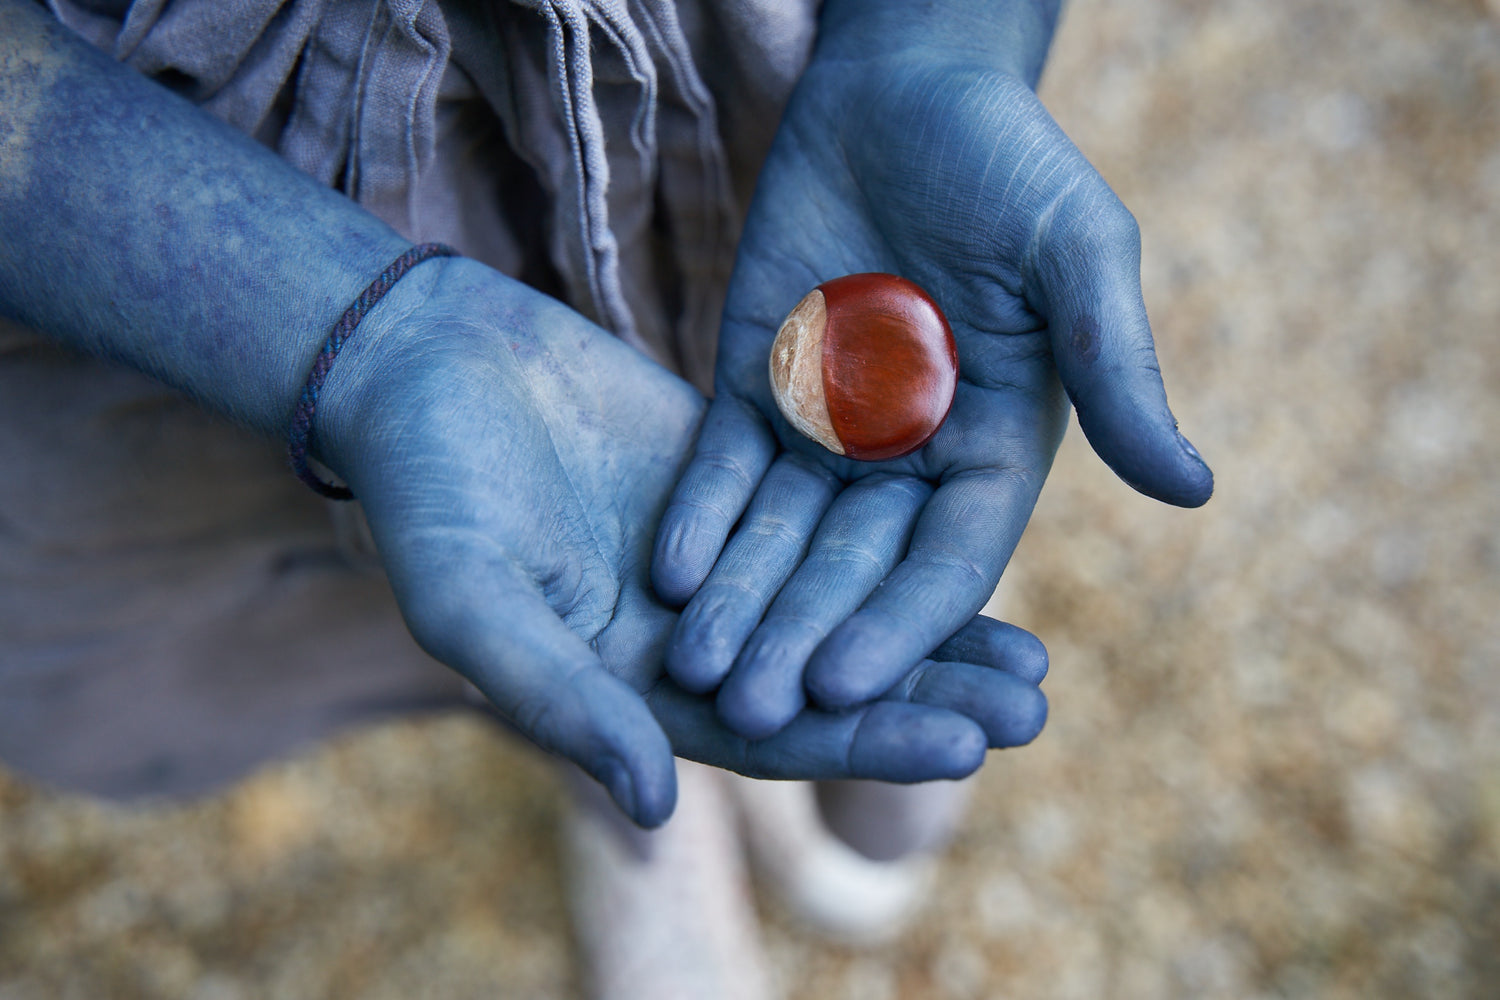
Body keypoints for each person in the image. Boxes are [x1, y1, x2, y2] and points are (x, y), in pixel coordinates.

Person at [0, 0, 1210, 996]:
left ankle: (712, 753)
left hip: (767, 106)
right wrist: (351, 337)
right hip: (168, 228)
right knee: (532, 584)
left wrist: (938, 42)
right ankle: (631, 798)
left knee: (752, 564)